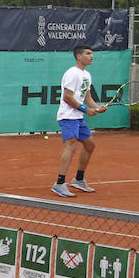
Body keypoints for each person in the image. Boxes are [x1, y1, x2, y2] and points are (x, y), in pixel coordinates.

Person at [51, 44, 105, 198]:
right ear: (79, 56)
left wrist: (96, 107)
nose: (91, 56)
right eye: (88, 53)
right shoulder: (72, 73)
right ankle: (59, 183)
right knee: (71, 145)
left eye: (92, 54)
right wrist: (86, 110)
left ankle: (79, 180)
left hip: (78, 117)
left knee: (90, 145)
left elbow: (86, 97)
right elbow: (67, 97)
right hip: (68, 116)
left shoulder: (86, 75)